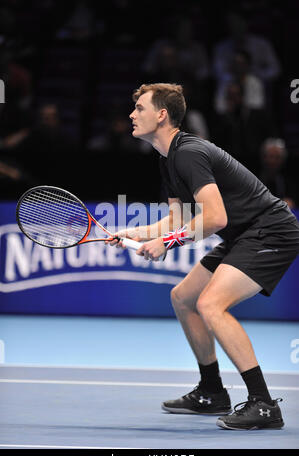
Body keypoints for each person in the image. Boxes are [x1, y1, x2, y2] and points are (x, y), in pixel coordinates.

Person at [108, 83, 299, 430]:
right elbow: (178, 220)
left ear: (162, 115)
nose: (132, 115)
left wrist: (167, 244)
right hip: (244, 234)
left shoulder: (188, 153)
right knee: (183, 297)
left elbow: (215, 218)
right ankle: (212, 391)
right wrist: (136, 233)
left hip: (271, 231)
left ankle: (264, 403)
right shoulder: (169, 160)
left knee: (211, 304)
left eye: (139, 109)